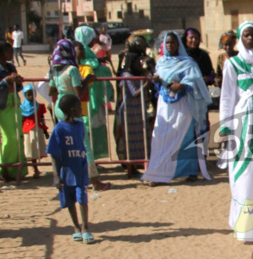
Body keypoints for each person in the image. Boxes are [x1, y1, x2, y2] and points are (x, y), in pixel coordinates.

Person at [219, 21, 253, 240]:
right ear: (240, 39)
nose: (250, 39)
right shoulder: (232, 65)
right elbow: (227, 97)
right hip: (243, 125)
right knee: (245, 172)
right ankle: (246, 226)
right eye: (246, 36)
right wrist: (225, 129)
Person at [142, 33, 212, 185]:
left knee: (184, 138)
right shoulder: (161, 63)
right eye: (167, 42)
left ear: (178, 44)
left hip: (183, 105)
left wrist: (183, 84)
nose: (170, 45)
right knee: (161, 137)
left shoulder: (188, 63)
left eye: (173, 42)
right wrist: (155, 80)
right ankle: (158, 172)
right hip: (165, 105)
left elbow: (195, 79)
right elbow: (159, 81)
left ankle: (190, 171)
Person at [47, 94, 95, 243]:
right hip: (65, 171)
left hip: (79, 169)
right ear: (72, 109)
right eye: (79, 107)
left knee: (82, 198)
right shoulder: (59, 129)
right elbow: (54, 154)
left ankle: (86, 228)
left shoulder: (80, 126)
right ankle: (76, 227)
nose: (81, 109)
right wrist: (56, 175)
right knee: (70, 201)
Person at [74, 26, 113, 190]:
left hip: (81, 103)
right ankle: (92, 176)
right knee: (85, 138)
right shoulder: (82, 54)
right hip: (84, 102)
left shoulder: (84, 53)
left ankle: (91, 168)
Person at [0, 41, 26, 182]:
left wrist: (18, 82)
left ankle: (15, 169)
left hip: (14, 103)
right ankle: (2, 169)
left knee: (18, 137)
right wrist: (6, 81)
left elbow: (18, 88)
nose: (11, 54)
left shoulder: (10, 66)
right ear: (0, 54)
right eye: (8, 51)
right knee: (9, 138)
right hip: (1, 106)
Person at [115, 46, 153, 178]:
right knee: (130, 142)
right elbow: (135, 92)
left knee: (144, 139)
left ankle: (144, 167)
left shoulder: (137, 74)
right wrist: (146, 82)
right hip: (129, 111)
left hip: (139, 110)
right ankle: (131, 170)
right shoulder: (127, 76)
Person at [20, 83, 48, 179]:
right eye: (28, 94)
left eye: (32, 94)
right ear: (24, 95)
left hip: (37, 129)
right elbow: (21, 120)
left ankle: (35, 169)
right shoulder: (22, 108)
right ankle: (31, 169)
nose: (31, 96)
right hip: (27, 131)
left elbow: (41, 118)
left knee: (36, 150)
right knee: (29, 150)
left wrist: (45, 131)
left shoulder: (39, 106)